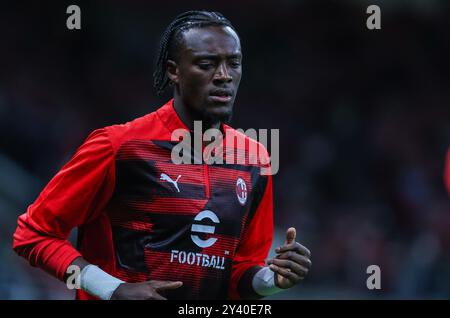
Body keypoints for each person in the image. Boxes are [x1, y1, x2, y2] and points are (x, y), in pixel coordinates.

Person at [13, 10, 311, 300]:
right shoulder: (119, 146)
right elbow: (33, 234)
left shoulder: (254, 159)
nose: (224, 76)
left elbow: (238, 271)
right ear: (173, 71)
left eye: (233, 63)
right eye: (207, 63)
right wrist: (112, 289)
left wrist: (272, 280)